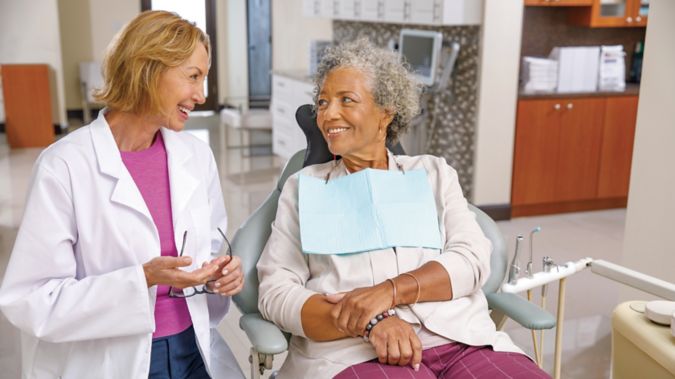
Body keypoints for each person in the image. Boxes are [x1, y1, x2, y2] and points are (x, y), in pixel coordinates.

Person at [257, 38, 551, 378]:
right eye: (322, 102)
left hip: (462, 340)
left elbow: (471, 259)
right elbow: (276, 292)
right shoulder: (304, 186)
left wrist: (388, 292)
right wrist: (369, 321)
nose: (327, 114)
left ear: (386, 113)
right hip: (353, 351)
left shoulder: (433, 174)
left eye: (346, 100)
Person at [0, 11, 244, 379]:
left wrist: (220, 274)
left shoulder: (194, 156)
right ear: (148, 69)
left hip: (193, 348)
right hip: (113, 361)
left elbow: (209, 248)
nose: (201, 94)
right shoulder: (64, 165)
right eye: (193, 77)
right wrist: (142, 278)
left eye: (204, 78)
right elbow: (31, 300)